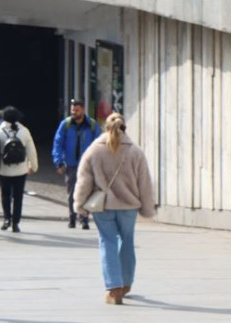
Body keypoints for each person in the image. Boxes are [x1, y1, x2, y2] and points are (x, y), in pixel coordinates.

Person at [73, 112, 156, 305]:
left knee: (107, 242)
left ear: (106, 127)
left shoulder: (94, 150)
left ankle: (114, 288)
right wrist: (147, 207)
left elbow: (84, 180)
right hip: (128, 206)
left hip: (103, 206)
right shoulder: (135, 151)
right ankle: (126, 283)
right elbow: (145, 183)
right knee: (127, 241)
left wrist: (79, 204)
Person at [53, 98, 102, 229]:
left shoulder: (92, 125)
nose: (74, 112)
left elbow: (99, 145)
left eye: (77, 110)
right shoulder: (66, 124)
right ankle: (72, 217)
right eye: (72, 110)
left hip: (87, 165)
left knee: (86, 191)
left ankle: (84, 218)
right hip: (71, 164)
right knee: (71, 192)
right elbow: (58, 143)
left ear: (83, 110)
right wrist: (58, 162)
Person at [0, 106, 39, 232]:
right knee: (18, 196)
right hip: (21, 169)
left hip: (4, 169)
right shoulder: (24, 131)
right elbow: (31, 151)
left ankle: (6, 219)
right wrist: (33, 166)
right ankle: (16, 222)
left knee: (5, 195)